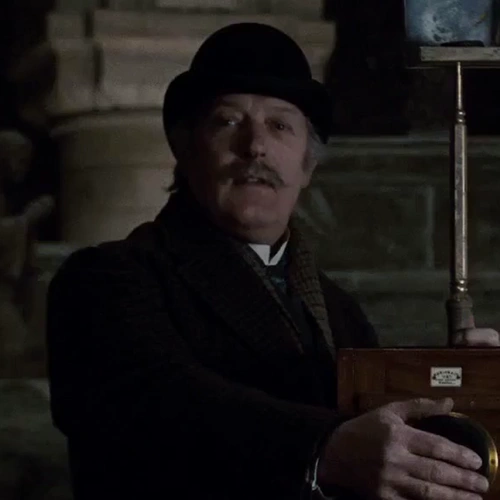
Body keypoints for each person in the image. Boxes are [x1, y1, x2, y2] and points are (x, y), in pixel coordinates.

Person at [46, 23, 499, 500]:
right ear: (185, 149)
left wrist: (461, 383)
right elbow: (160, 399)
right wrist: (324, 448)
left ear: (308, 165)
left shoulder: (338, 312)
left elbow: (379, 437)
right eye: (228, 122)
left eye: (280, 126)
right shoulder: (107, 280)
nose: (255, 146)